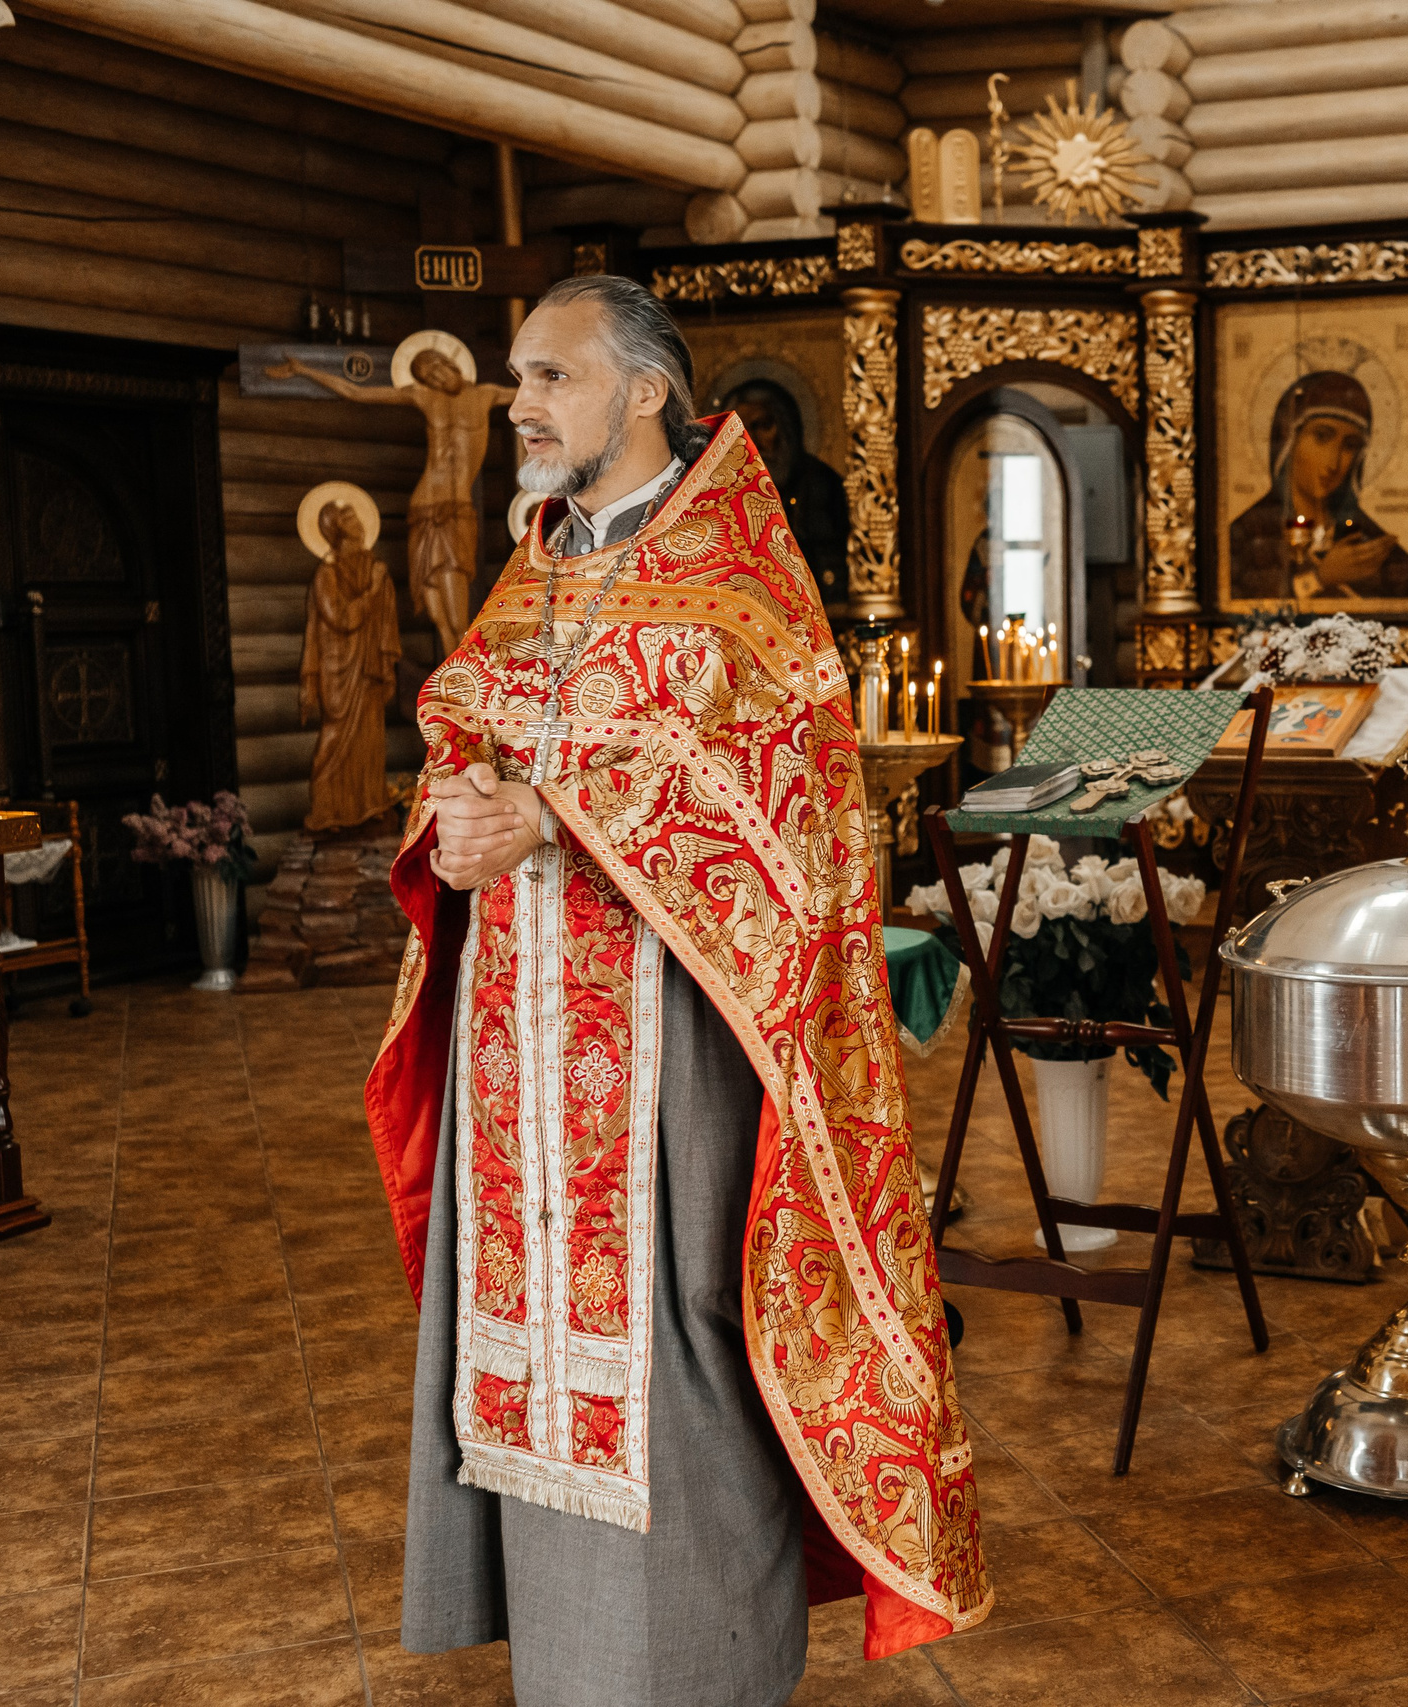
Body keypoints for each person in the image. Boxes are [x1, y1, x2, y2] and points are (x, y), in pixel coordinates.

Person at [365, 274, 989, 1707]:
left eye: (547, 376)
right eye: (516, 378)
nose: (517, 405)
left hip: (680, 1050)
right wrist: (456, 805)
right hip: (522, 1048)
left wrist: (557, 813)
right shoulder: (537, 565)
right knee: (529, 1340)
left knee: (683, 1333)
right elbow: (468, 722)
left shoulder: (740, 579)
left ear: (643, 391)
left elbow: (784, 809)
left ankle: (703, 1667)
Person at [269, 336, 515, 656]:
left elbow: (540, 394)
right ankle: (456, 686)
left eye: (437, 369)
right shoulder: (422, 396)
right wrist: (304, 370)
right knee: (436, 609)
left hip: (456, 511)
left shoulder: (487, 394)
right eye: (427, 376)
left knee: (458, 610)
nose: (436, 378)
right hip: (424, 507)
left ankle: (468, 685)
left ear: (452, 364)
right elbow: (356, 392)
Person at [1226, 371, 1408, 604]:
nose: (1333, 462)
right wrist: (1320, 578)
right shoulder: (1247, 533)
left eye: (1350, 446)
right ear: (1289, 439)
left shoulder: (1369, 543)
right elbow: (1243, 608)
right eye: (1321, 437)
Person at [297, 495, 401, 832]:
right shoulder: (326, 574)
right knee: (335, 736)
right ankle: (327, 810)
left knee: (370, 735)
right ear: (339, 529)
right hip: (338, 669)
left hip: (368, 666)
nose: (359, 523)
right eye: (351, 518)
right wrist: (372, 589)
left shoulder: (374, 566)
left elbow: (384, 619)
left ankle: (368, 804)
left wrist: (380, 585)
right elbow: (341, 617)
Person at [721, 377, 849, 610]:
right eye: (742, 431)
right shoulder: (722, 495)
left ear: (787, 425)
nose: (752, 441)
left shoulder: (823, 485)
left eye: (763, 425)